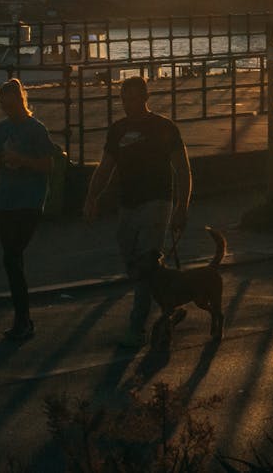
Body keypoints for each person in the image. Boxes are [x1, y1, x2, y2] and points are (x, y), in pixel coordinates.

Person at [83, 75, 192, 348]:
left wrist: (182, 206)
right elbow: (106, 167)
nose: (127, 104)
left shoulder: (164, 127)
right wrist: (91, 197)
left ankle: (136, 327)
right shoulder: (117, 130)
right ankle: (169, 296)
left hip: (157, 202)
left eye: (133, 98)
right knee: (134, 260)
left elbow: (182, 169)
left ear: (145, 98)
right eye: (123, 98)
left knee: (144, 264)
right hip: (127, 204)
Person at [0, 78, 53, 341]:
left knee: (13, 255)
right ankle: (22, 318)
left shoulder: (36, 130)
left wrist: (21, 160)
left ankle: (22, 318)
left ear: (21, 101)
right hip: (5, 200)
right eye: (4, 107)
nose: (8, 111)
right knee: (11, 259)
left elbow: (48, 166)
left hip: (29, 201)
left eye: (12, 106)